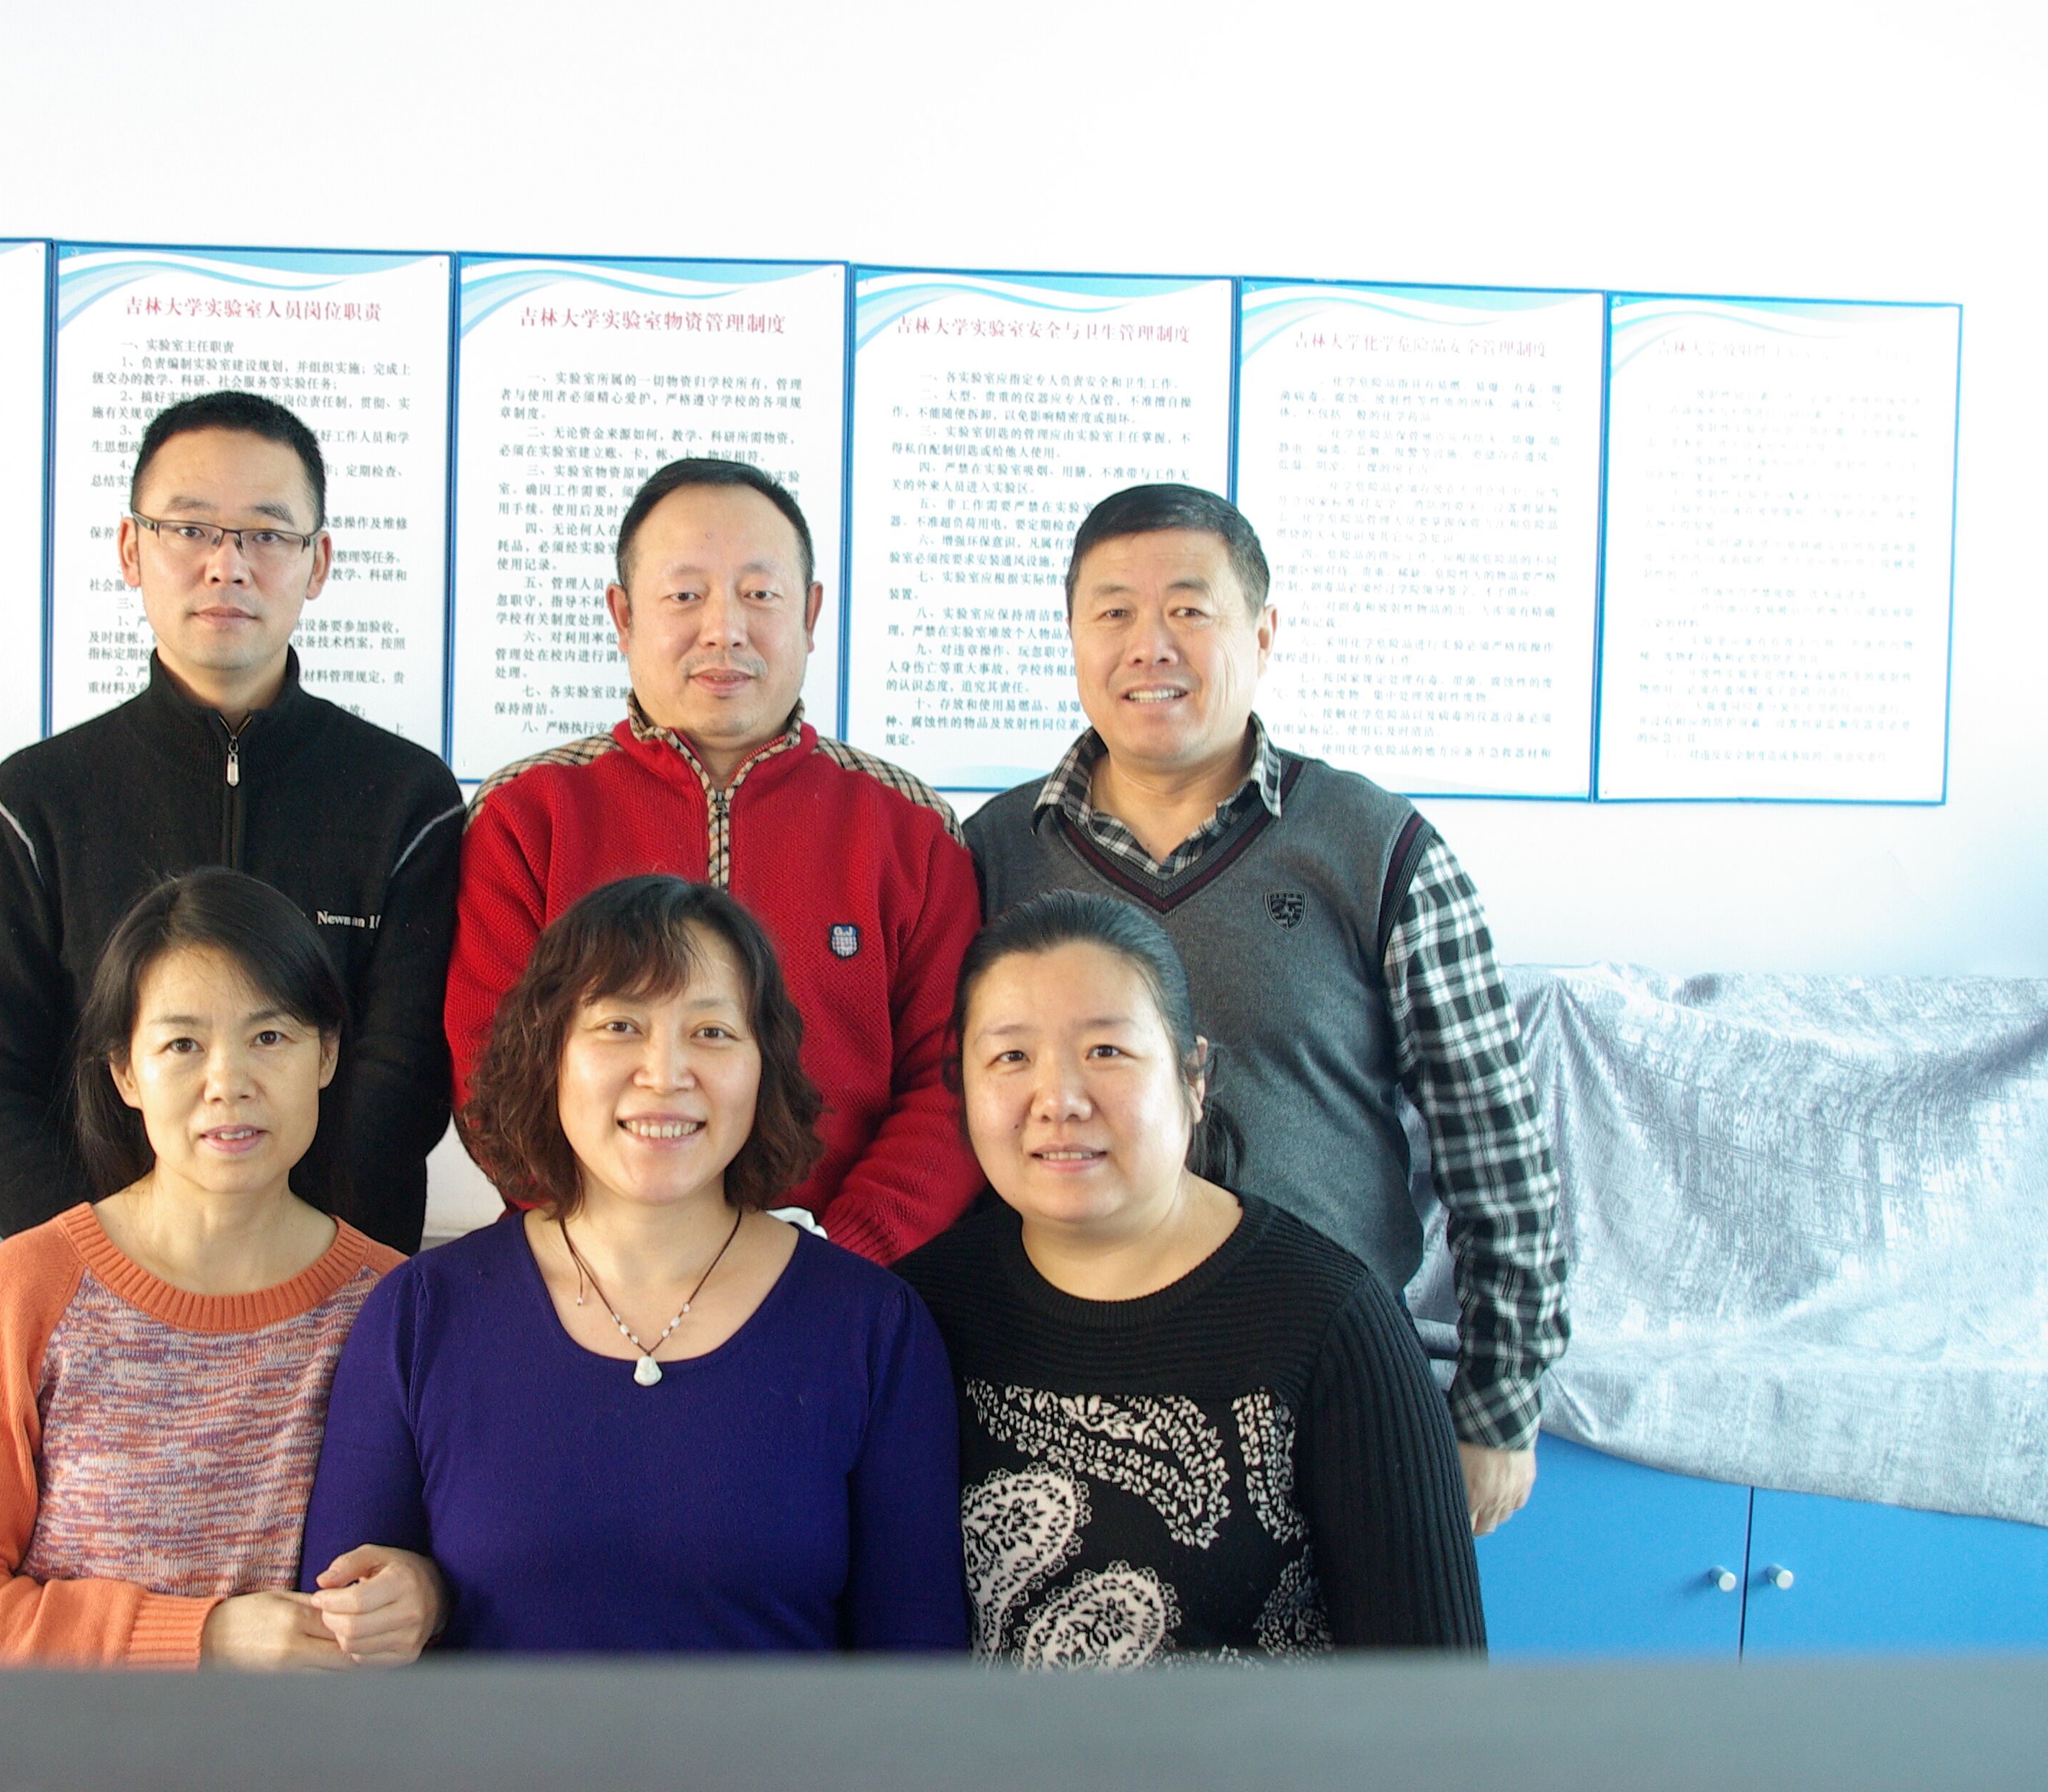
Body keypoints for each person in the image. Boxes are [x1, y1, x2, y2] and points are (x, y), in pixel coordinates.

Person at [960, 483, 1568, 1535]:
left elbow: (1495, 1147)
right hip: (1051, 1388)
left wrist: (1498, 1406)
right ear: (1073, 637)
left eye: (1188, 610)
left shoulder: (1373, 848)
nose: (1149, 646)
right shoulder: (990, 854)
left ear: (1262, 632)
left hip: (1326, 1378)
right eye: (1113, 613)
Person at [302, 874, 969, 1653]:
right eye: (620, 1026)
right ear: (549, 1053)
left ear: (765, 1065)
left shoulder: (872, 1327)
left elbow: (915, 1673)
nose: (665, 1073)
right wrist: (420, 1598)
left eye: (712, 1032)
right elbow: (335, 1640)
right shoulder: (421, 1314)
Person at [898, 890, 1484, 1665]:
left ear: (1193, 1075)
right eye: (1011, 1057)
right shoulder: (914, 1315)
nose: (1059, 1101)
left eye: (1106, 1051)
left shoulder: (1330, 1324)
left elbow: (1434, 1695)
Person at [0, 391, 463, 1252]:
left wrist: (298, 1262)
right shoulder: (36, 801)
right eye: (189, 530)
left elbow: (404, 1076)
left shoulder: (407, 799)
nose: (227, 565)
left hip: (343, 1282)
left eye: (267, 534)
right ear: (130, 548)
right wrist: (113, 1265)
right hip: (96, 1288)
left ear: (317, 562)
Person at [0, 868, 442, 1668]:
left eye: (269, 1038)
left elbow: (475, 1553)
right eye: (183, 1045)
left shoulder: (395, 1306)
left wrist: (426, 1593)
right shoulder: (28, 1290)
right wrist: (205, 1637)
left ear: (325, 1054)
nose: (229, 1084)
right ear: (125, 1073)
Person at [446, 457, 983, 1264]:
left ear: (810, 614)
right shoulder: (528, 816)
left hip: (848, 1280)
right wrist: (617, 1248)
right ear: (623, 616)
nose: (723, 629)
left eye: (759, 594)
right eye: (684, 595)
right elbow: (491, 1070)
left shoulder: (910, 828)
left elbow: (954, 1082)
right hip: (585, 1277)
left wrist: (835, 1258)